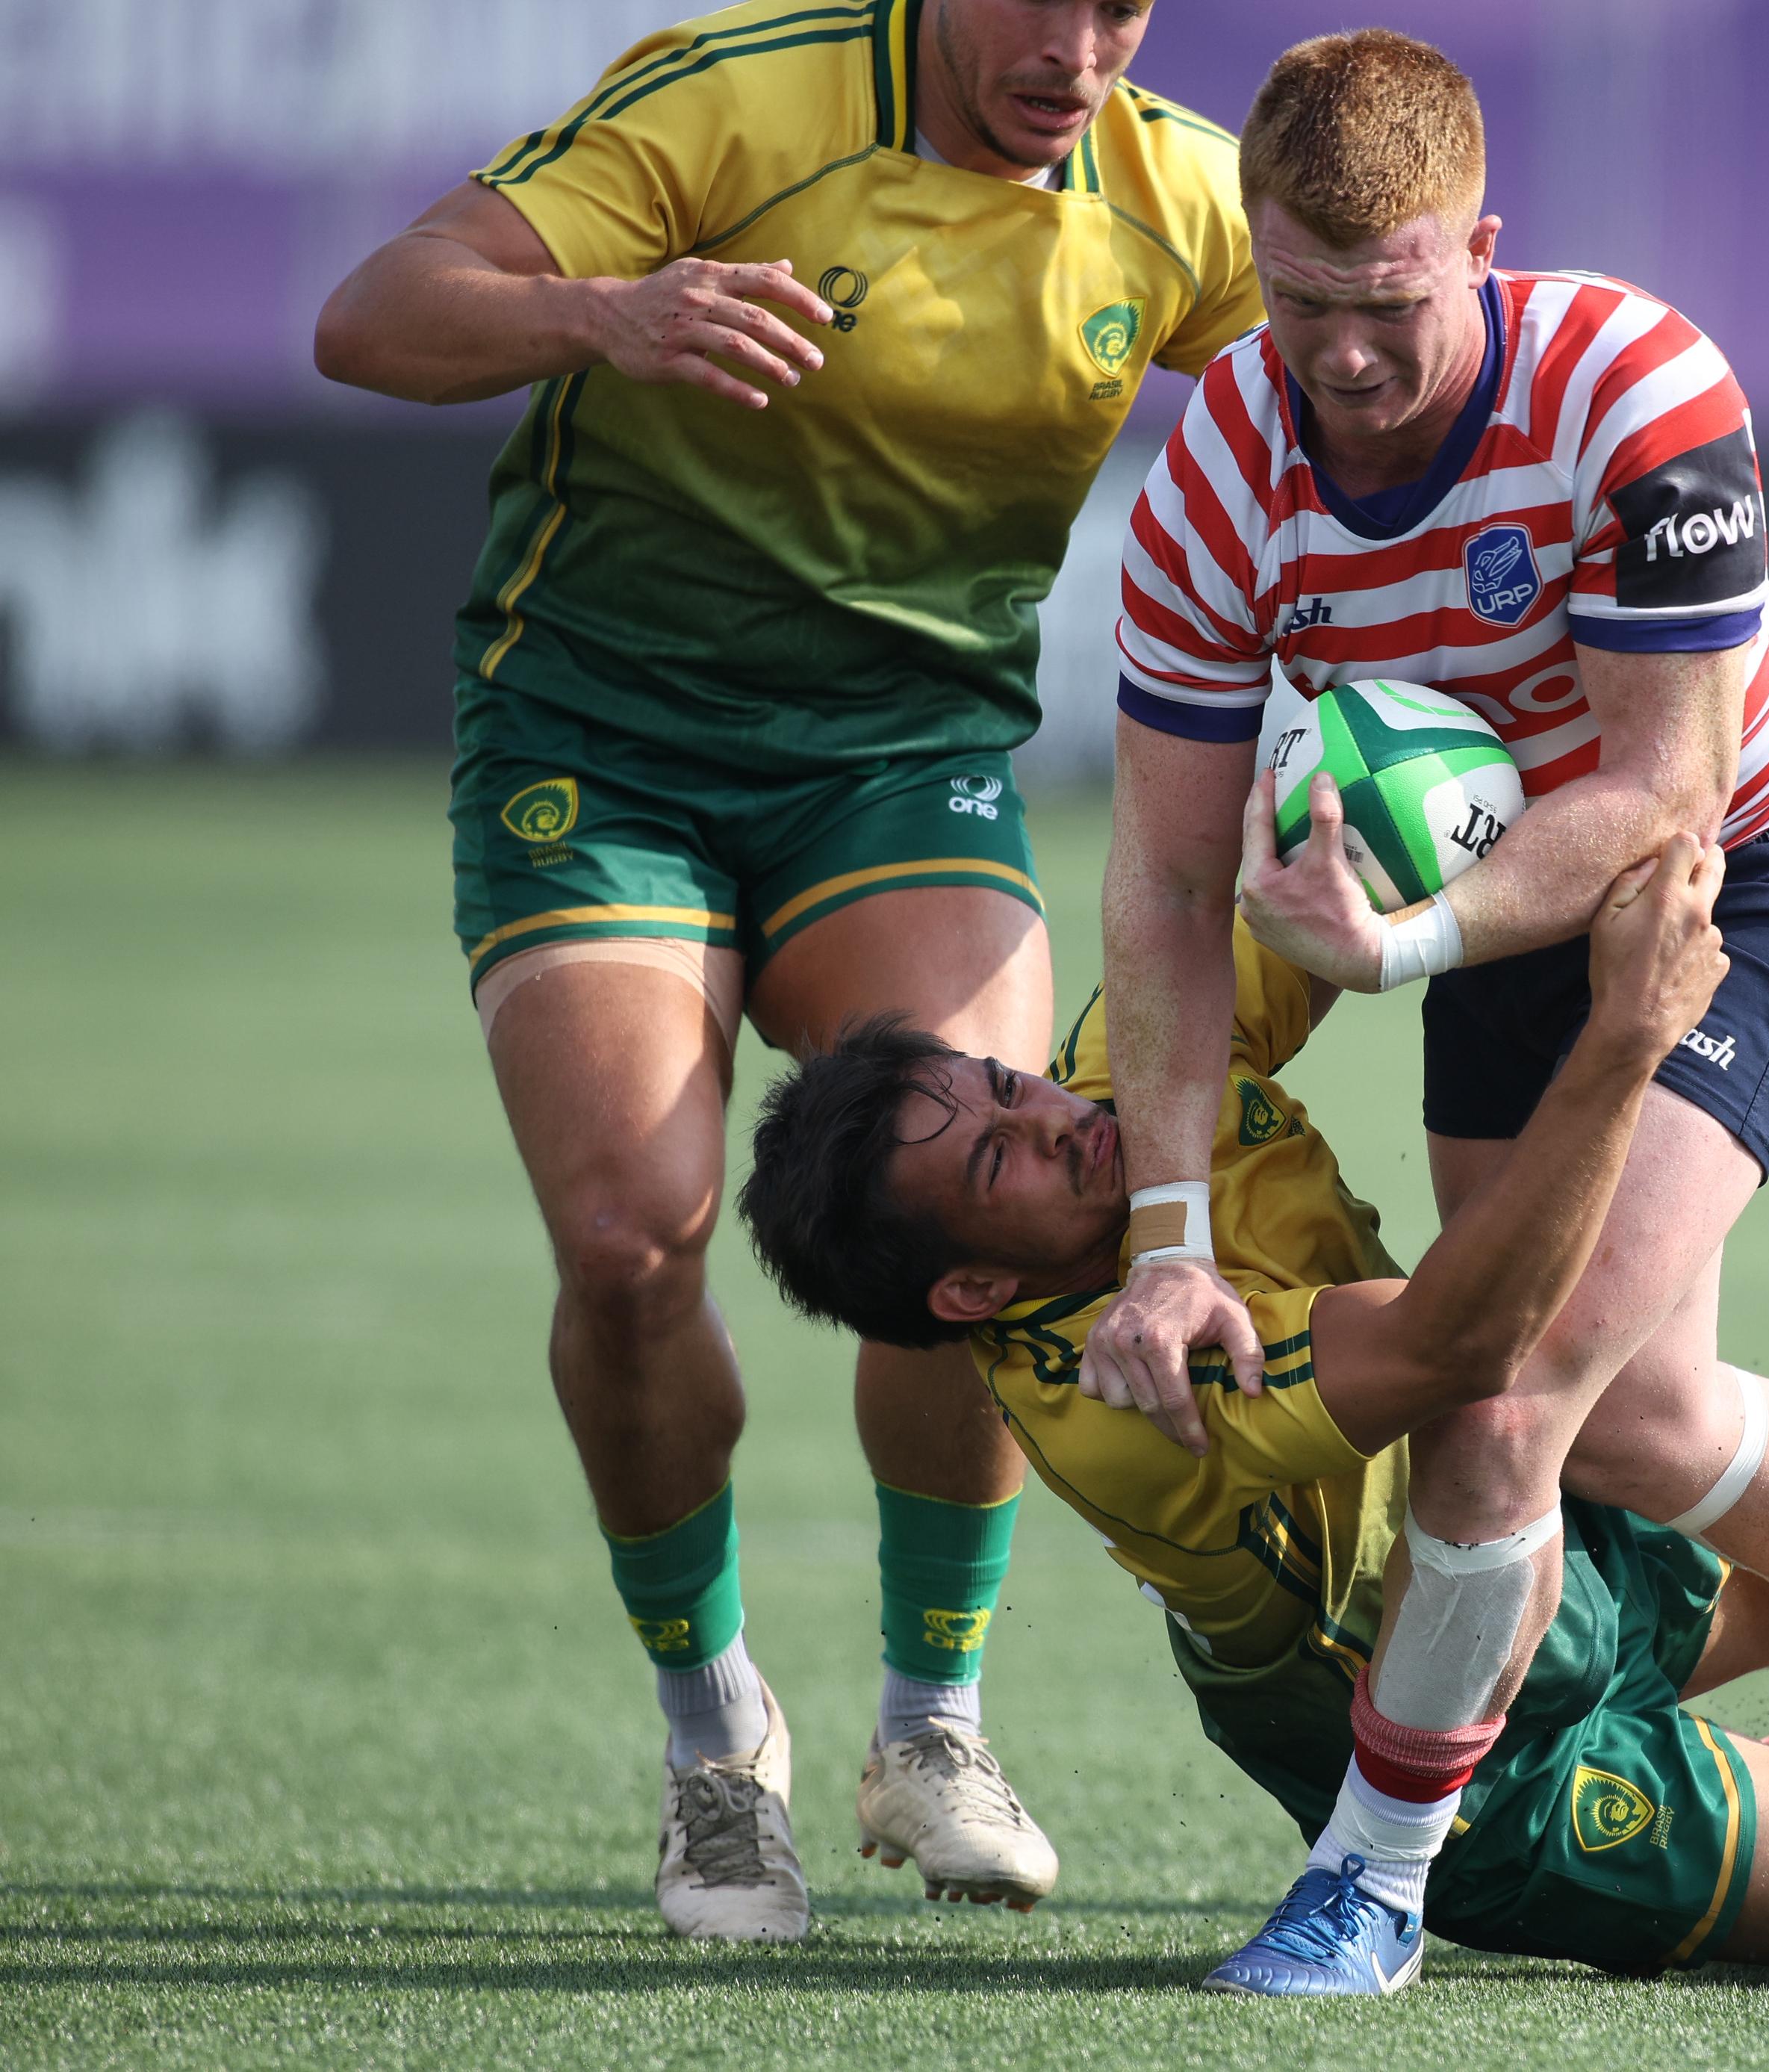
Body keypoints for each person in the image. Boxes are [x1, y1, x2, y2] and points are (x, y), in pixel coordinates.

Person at [1075, 32, 1769, 1992]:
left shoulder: (1632, 387)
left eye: (1387, 307)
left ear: (1483, 241)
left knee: (1510, 1396)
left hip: (1741, 881)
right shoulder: (1219, 464)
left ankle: (1375, 1878)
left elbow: (1657, 793)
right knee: (1644, 1420)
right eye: (1297, 302)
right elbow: (1156, 876)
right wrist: (1165, 1236)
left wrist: (1388, 947)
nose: (1342, 358)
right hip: (1493, 935)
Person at [311, 0, 1261, 1940]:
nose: (1077, 45)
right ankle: (713, 1734)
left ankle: (933, 1719)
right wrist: (606, 314)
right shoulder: (741, 92)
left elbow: (1358, 406)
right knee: (629, 1237)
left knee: (959, 1214)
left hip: (895, 759)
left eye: (1126, 3)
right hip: (605, 735)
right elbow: (374, 315)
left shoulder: (1181, 197)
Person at [737, 839, 1769, 1989]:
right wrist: (1625, 1037)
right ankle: (1430, 1878)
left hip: (1557, 1536)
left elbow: (1316, 892)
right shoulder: (1127, 1398)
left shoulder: (1132, 1071)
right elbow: (1465, 1340)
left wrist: (1436, 815)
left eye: (1007, 1082)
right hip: (1485, 1760)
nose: (1053, 1114)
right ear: (979, 1289)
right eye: (1001, 1159)